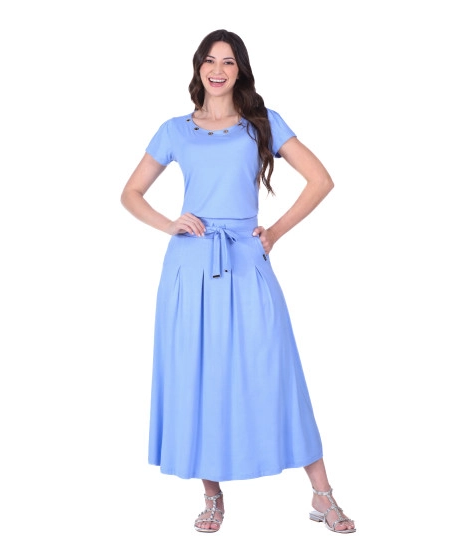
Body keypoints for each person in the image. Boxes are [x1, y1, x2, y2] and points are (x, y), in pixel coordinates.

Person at [120, 29, 356, 535]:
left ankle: (322, 494)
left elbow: (321, 180)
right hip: (190, 267)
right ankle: (212, 496)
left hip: (247, 261)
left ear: (240, 69)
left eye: (228, 61)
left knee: (277, 369)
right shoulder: (175, 130)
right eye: (209, 60)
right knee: (197, 373)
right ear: (198, 67)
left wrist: (274, 233)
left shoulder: (262, 123)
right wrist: (170, 223)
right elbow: (131, 193)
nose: (218, 69)